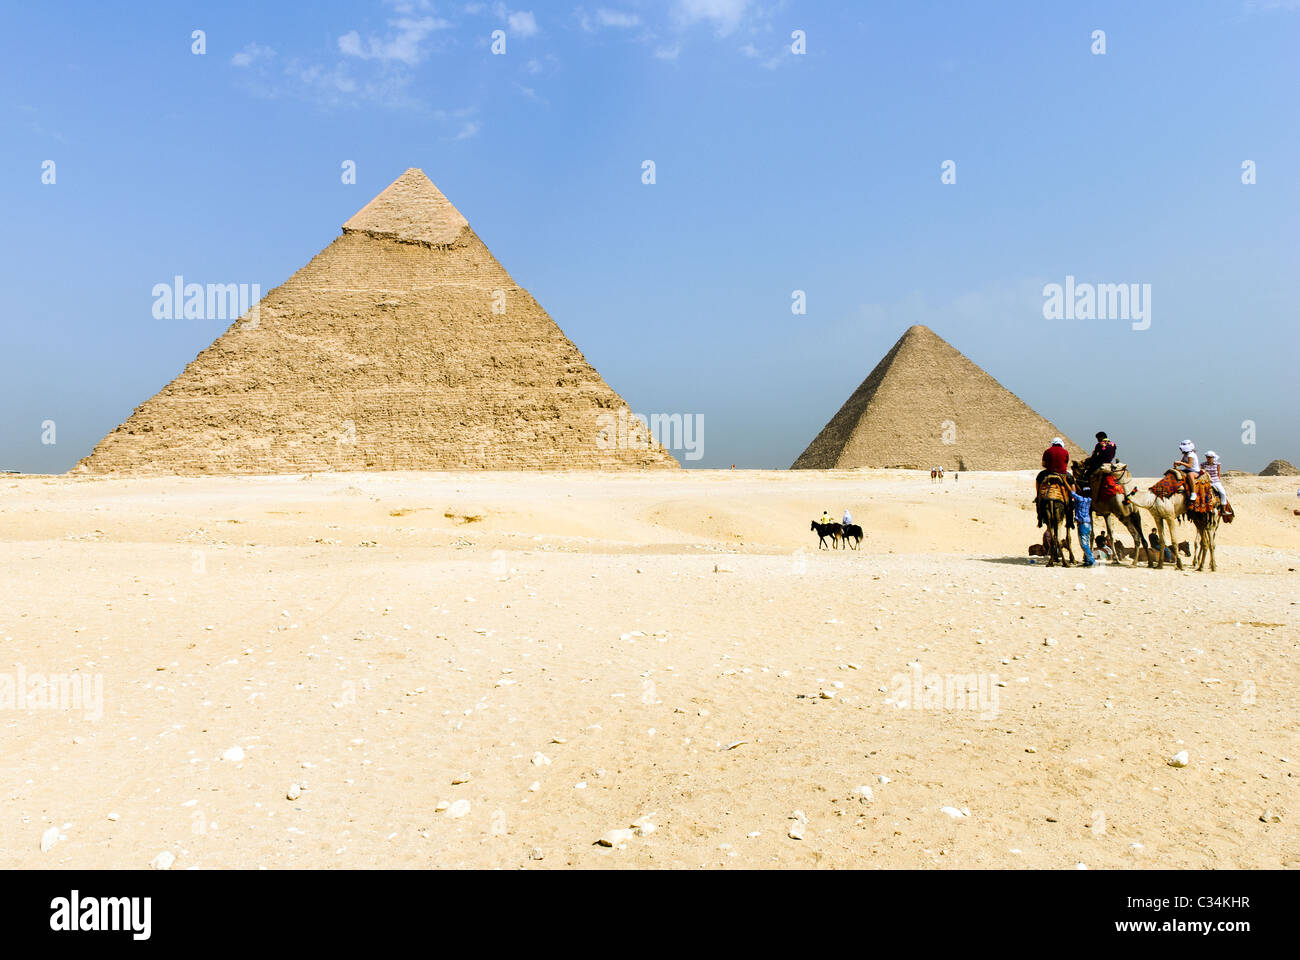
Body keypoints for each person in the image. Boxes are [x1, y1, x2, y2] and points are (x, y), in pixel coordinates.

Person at [1070, 484, 1094, 566]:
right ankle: (1087, 561)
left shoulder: (1080, 499)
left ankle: (1092, 560)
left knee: (1083, 545)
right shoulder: (1089, 500)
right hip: (1088, 524)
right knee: (1087, 542)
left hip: (1082, 525)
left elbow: (1071, 493)